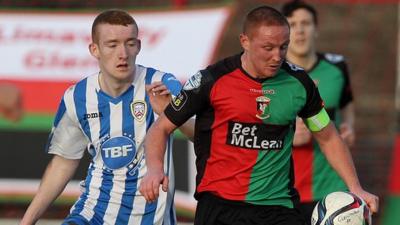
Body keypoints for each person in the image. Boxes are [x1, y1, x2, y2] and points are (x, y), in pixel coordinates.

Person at [139, 5, 379, 225]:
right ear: (245, 41)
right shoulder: (210, 80)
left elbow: (327, 135)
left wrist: (355, 187)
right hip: (220, 207)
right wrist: (154, 168)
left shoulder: (299, 83)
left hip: (278, 208)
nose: (277, 56)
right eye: (268, 48)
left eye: (283, 47)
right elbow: (160, 128)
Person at [20, 9, 191, 225]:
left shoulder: (162, 84)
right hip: (93, 213)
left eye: (129, 43)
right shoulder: (77, 97)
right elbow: (63, 164)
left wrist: (173, 114)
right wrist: (26, 222)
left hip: (150, 218)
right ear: (95, 49)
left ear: (138, 46)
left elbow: (198, 133)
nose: (123, 53)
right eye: (112, 45)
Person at [281, 1, 356, 224]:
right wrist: (289, 137)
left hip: (332, 188)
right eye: (293, 24)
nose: (300, 30)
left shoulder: (337, 66)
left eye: (306, 23)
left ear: (316, 29)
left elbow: (347, 102)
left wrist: (350, 126)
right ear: (284, 32)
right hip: (284, 191)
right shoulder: (272, 74)